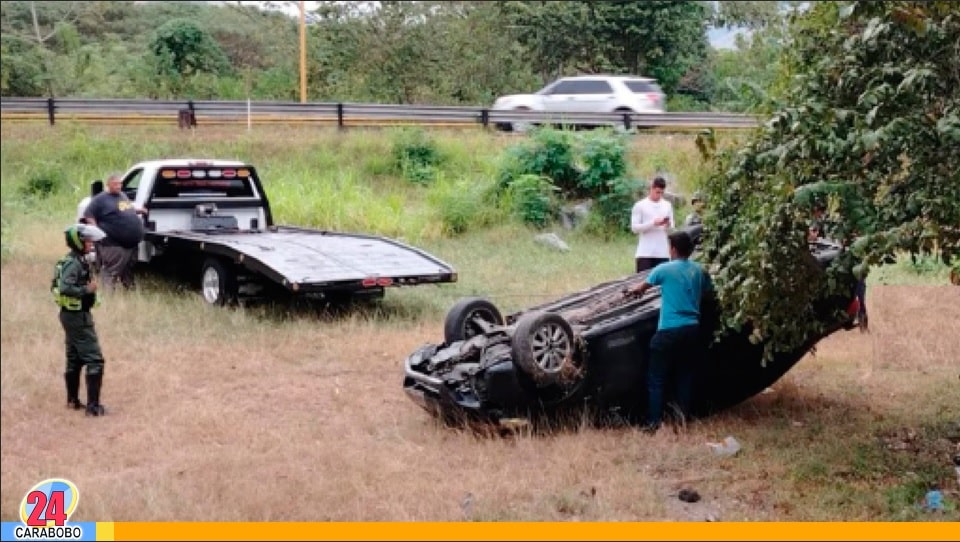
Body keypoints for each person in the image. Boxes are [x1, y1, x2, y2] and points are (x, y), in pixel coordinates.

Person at [626, 230, 713, 433]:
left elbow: (641, 288)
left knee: (656, 377)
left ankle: (653, 423)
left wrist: (631, 291)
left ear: (673, 249)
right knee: (684, 375)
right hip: (692, 328)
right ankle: (681, 421)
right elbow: (709, 291)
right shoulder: (700, 271)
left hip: (668, 330)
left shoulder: (663, 269)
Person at [53, 224, 108, 416]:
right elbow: (65, 288)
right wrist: (87, 290)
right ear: (78, 242)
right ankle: (93, 407)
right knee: (95, 359)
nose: (91, 244)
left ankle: (72, 401)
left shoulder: (74, 260)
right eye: (88, 241)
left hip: (72, 314)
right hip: (77, 316)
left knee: (74, 359)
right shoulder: (74, 263)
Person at [83, 173, 146, 289]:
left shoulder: (122, 195)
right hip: (113, 243)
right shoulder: (100, 199)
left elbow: (124, 209)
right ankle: (108, 297)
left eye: (120, 184)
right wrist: (96, 231)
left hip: (131, 243)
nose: (119, 186)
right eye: (115, 184)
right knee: (111, 270)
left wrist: (138, 210)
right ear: (108, 185)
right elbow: (88, 214)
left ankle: (130, 291)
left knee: (128, 269)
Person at [630, 176, 674, 273]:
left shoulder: (667, 205)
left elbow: (672, 229)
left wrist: (667, 225)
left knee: (661, 285)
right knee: (643, 282)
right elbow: (634, 228)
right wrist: (653, 223)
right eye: (657, 192)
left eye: (662, 193)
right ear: (651, 189)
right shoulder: (640, 205)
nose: (659, 195)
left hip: (662, 252)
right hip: (645, 252)